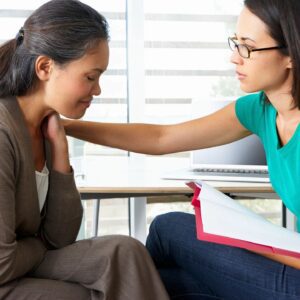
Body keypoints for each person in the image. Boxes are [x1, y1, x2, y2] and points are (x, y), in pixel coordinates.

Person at [63, 0, 300, 299]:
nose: (234, 58)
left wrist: (257, 244)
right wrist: (67, 127)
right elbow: (162, 138)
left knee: (168, 228)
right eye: (235, 43)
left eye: (248, 48)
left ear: (291, 53)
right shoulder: (260, 109)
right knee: (167, 283)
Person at [0, 1, 170, 299]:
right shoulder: (3, 133)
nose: (98, 90)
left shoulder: (46, 129)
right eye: (90, 77)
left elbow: (60, 237)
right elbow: (2, 264)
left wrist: (61, 155)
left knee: (124, 252)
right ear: (45, 67)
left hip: (22, 261)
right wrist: (40, 245)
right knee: (83, 295)